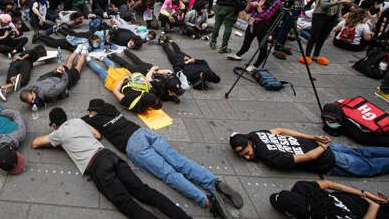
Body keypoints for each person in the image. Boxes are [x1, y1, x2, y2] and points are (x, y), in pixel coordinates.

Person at [82, 99, 242, 214]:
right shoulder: (111, 109)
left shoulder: (94, 118)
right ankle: (215, 183)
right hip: (142, 132)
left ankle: (206, 201)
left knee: (168, 173)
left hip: (133, 145)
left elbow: (93, 132)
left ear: (93, 111)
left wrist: (88, 118)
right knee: (180, 161)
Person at [32, 107, 192, 219]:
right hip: (109, 155)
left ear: (54, 124)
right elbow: (98, 135)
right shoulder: (78, 121)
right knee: (145, 192)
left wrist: (56, 133)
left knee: (126, 204)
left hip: (97, 166)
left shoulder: (58, 133)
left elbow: (35, 143)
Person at [230, 128, 389, 178]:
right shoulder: (256, 134)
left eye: (245, 152)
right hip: (320, 145)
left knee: (368, 167)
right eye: (242, 156)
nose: (247, 157)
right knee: (362, 153)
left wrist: (322, 147)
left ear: (248, 142)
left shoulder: (269, 157)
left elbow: (309, 157)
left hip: (327, 158)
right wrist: (313, 137)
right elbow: (281, 130)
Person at [227, 0, 281, 72]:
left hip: (263, 25)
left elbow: (266, 16)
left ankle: (256, 65)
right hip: (252, 22)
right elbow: (247, 11)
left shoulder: (275, 2)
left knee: (262, 46)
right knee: (247, 40)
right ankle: (238, 54)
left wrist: (259, 7)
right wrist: (249, 5)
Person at [270, 179, 389, 219]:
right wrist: (366, 196)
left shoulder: (303, 190)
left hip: (367, 204)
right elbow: (330, 184)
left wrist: (366, 195)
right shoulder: (303, 188)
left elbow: (328, 184)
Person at [303, 0, 353, 65]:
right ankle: (307, 55)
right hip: (320, 15)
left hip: (332, 16)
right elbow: (323, 4)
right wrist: (340, 2)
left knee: (323, 37)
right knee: (314, 36)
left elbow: (339, 6)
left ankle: (316, 55)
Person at [87, 56, 163, 114]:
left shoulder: (130, 103)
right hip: (126, 78)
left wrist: (123, 79)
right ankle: (102, 58)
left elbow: (115, 91)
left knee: (102, 71)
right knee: (110, 67)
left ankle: (88, 60)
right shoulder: (140, 104)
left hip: (116, 82)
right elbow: (148, 80)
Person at [19, 47, 86, 108]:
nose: (33, 102)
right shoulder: (33, 87)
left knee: (77, 68)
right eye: (29, 102)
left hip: (64, 77)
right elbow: (44, 76)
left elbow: (64, 82)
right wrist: (56, 71)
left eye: (32, 99)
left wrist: (63, 72)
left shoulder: (48, 93)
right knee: (68, 64)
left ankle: (83, 52)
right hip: (56, 75)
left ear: (32, 92)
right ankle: (78, 49)